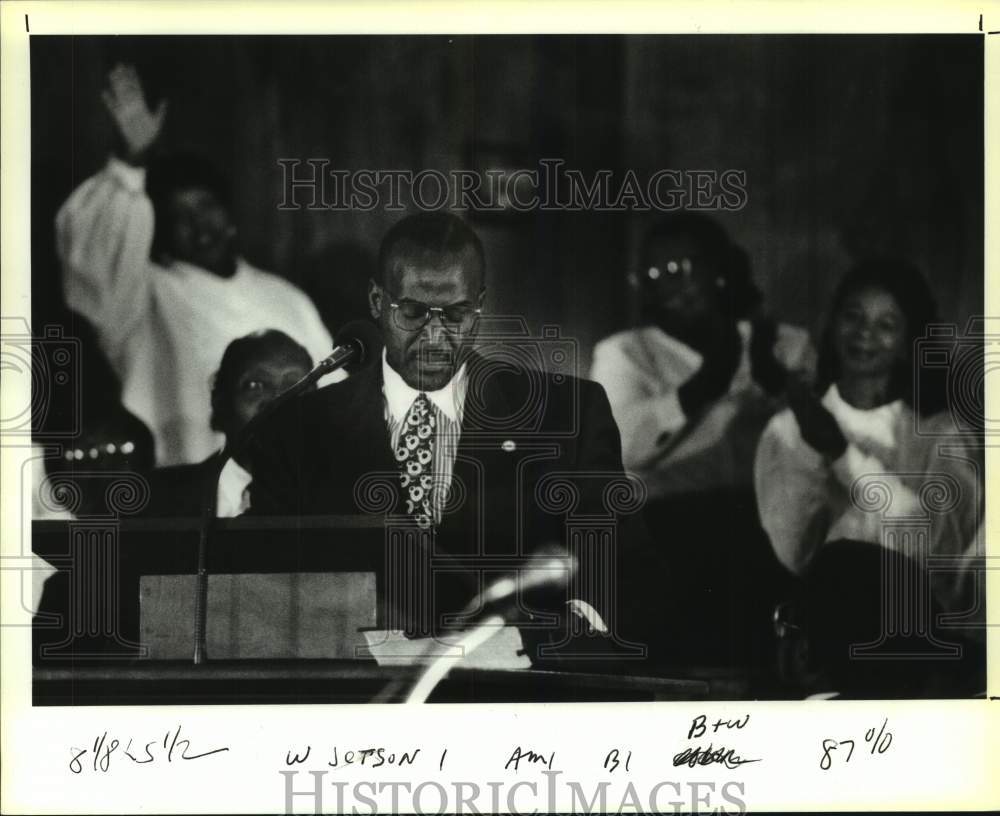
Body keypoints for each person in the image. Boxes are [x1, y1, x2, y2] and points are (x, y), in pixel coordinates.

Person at [249, 212, 650, 650]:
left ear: (480, 302)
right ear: (376, 300)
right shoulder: (301, 429)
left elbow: (618, 570)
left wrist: (554, 639)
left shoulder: (566, 415)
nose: (436, 335)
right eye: (414, 313)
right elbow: (268, 589)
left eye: (457, 313)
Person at [55, 63, 337, 467]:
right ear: (157, 230)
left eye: (207, 207)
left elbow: (332, 395)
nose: (198, 226)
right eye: (177, 217)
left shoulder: (285, 297)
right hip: (185, 492)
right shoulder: (140, 295)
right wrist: (130, 162)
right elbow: (96, 255)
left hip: (290, 491)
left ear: (231, 215)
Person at [754, 259, 984, 631]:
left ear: (910, 341)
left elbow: (942, 552)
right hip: (825, 632)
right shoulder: (786, 431)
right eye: (853, 317)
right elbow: (793, 555)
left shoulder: (945, 435)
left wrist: (845, 457)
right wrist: (812, 450)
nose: (864, 334)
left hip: (919, 633)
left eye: (886, 325)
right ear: (832, 325)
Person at [590, 212, 814, 496]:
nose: (664, 288)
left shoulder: (787, 344)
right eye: (650, 276)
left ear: (719, 271)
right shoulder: (624, 353)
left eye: (676, 270)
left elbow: (825, 444)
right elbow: (616, 449)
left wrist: (779, 386)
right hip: (667, 519)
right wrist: (702, 386)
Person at [142, 330, 314, 518]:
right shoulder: (153, 499)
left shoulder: (339, 500)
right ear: (220, 401)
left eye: (296, 388)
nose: (277, 401)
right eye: (255, 385)